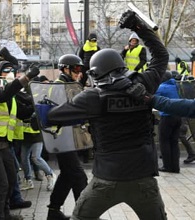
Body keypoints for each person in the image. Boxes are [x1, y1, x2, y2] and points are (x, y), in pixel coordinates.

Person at [46, 10, 169, 219]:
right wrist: (139, 28)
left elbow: (54, 115)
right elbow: (161, 55)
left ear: (95, 73)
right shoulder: (144, 84)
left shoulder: (91, 97)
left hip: (106, 179)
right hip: (144, 178)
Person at [0, 59, 39, 220]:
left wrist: (38, 104)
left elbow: (22, 113)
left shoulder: (11, 96)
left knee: (11, 180)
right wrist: (26, 78)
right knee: (1, 183)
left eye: (11, 71)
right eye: (6, 71)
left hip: (4, 143)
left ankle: (3, 213)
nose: (9, 74)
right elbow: (3, 94)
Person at [47, 54, 88, 220]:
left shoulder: (70, 85)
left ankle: (53, 212)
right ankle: (84, 215)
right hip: (61, 138)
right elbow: (58, 112)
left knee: (67, 175)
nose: (79, 72)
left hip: (68, 137)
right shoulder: (58, 86)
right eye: (76, 68)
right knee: (79, 176)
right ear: (65, 68)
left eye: (80, 69)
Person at [155, 71, 181, 173]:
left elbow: (152, 99)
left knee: (164, 141)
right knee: (174, 142)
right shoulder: (176, 86)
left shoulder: (162, 87)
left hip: (167, 117)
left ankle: (167, 166)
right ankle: (176, 167)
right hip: (178, 116)